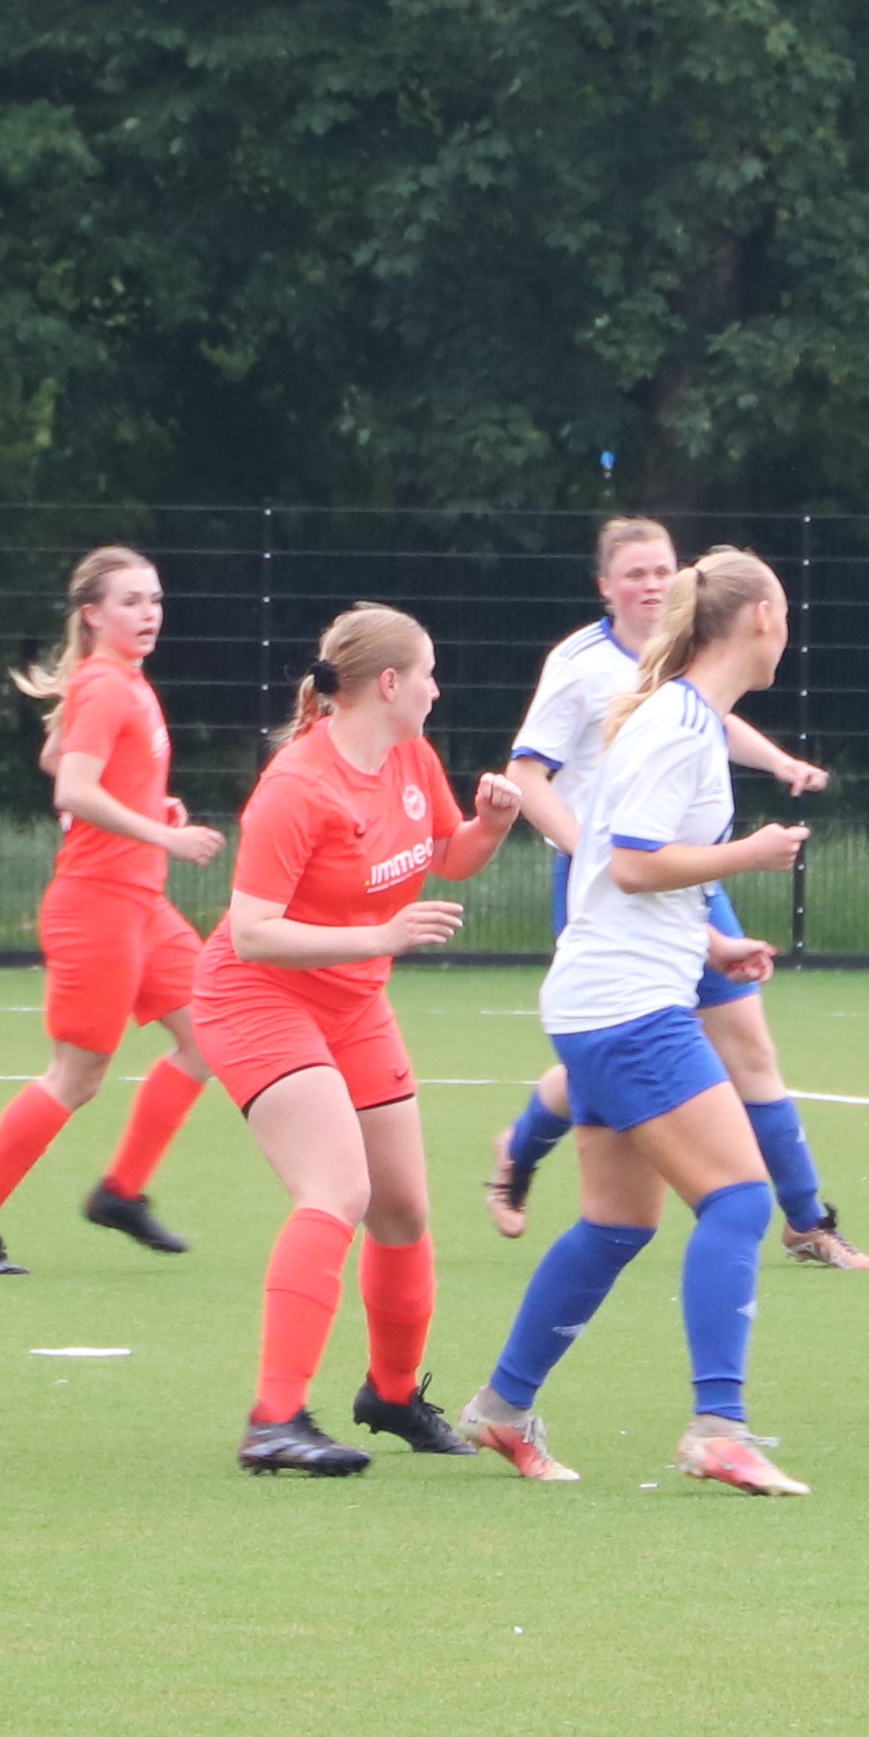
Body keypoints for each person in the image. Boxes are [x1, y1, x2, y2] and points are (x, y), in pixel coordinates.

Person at [461, 550, 814, 1494]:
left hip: (607, 996)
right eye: (785, 613)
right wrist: (750, 854)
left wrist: (709, 945)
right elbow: (631, 864)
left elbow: (613, 871)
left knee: (617, 1224)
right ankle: (718, 1429)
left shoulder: (675, 717)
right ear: (759, 620)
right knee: (740, 1199)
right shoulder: (679, 725)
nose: (788, 630)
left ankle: (501, 1408)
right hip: (626, 1007)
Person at [481, 518, 869, 1269]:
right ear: (605, 585)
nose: (651, 583)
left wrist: (779, 762)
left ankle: (806, 1220)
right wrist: (595, 853)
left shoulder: (690, 669)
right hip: (619, 878)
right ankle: (520, 1153)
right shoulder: (580, 664)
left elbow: (716, 724)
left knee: (747, 1046)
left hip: (681, 870)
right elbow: (527, 775)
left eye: (662, 569)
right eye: (634, 572)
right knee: (609, 1054)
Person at [198, 603, 521, 1476]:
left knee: (403, 1210)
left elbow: (445, 856)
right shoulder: (297, 787)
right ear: (388, 683)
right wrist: (380, 936)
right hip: (258, 997)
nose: (436, 688)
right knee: (336, 1190)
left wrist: (490, 827)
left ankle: (391, 1394)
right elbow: (253, 933)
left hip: (352, 1000)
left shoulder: (411, 757)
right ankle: (274, 1420)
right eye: (427, 674)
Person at [0, 548, 229, 1274]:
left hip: (141, 904)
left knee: (211, 1037)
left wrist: (147, 803)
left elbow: (57, 758)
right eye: (131, 601)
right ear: (92, 614)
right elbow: (71, 788)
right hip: (97, 906)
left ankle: (120, 1193)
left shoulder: (121, 680)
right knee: (77, 1076)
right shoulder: (103, 684)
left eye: (154, 600)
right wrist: (164, 832)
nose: (149, 613)